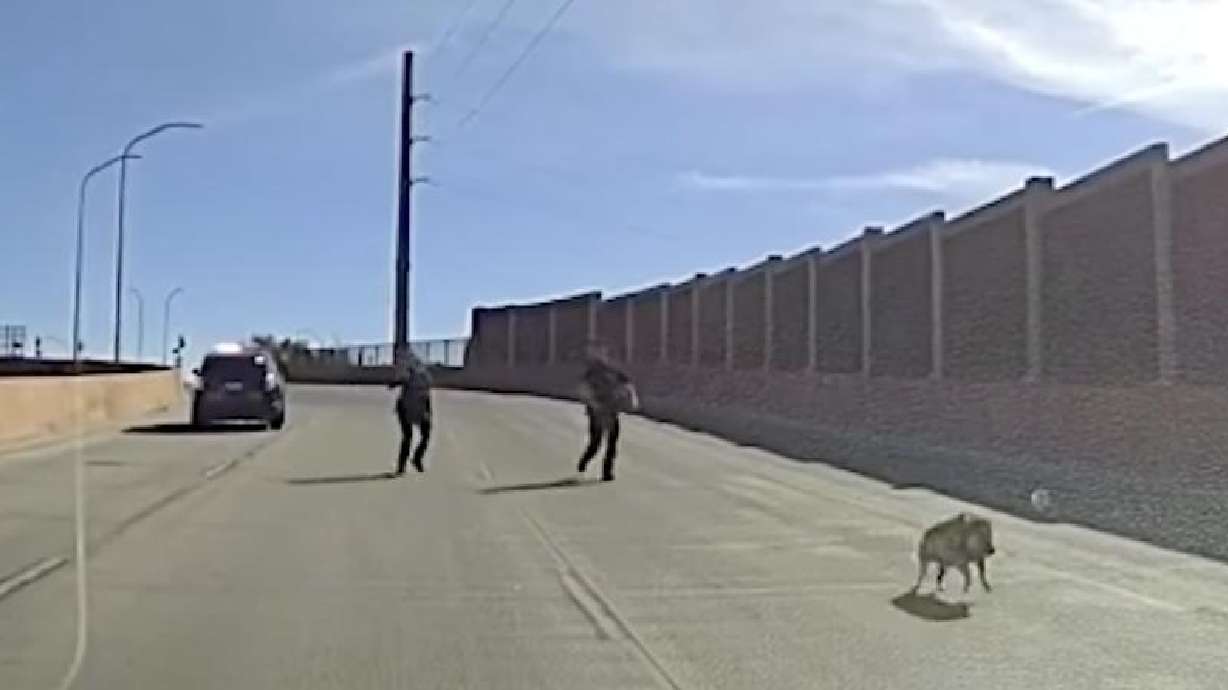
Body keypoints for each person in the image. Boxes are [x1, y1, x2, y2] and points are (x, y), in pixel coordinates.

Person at [576, 344, 639, 482]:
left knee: (612, 442)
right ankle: (584, 462)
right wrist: (594, 404)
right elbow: (584, 390)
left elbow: (627, 384)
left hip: (611, 410)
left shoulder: (614, 371)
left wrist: (631, 399)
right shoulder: (591, 373)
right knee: (596, 443)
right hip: (596, 412)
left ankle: (607, 472)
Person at [388, 352, 433, 475]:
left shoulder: (423, 378)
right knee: (409, 436)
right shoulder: (414, 377)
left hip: (417, 409)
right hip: (405, 409)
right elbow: (394, 384)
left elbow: (426, 396)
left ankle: (415, 459)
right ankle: (403, 466)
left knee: (421, 435)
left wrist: (428, 412)